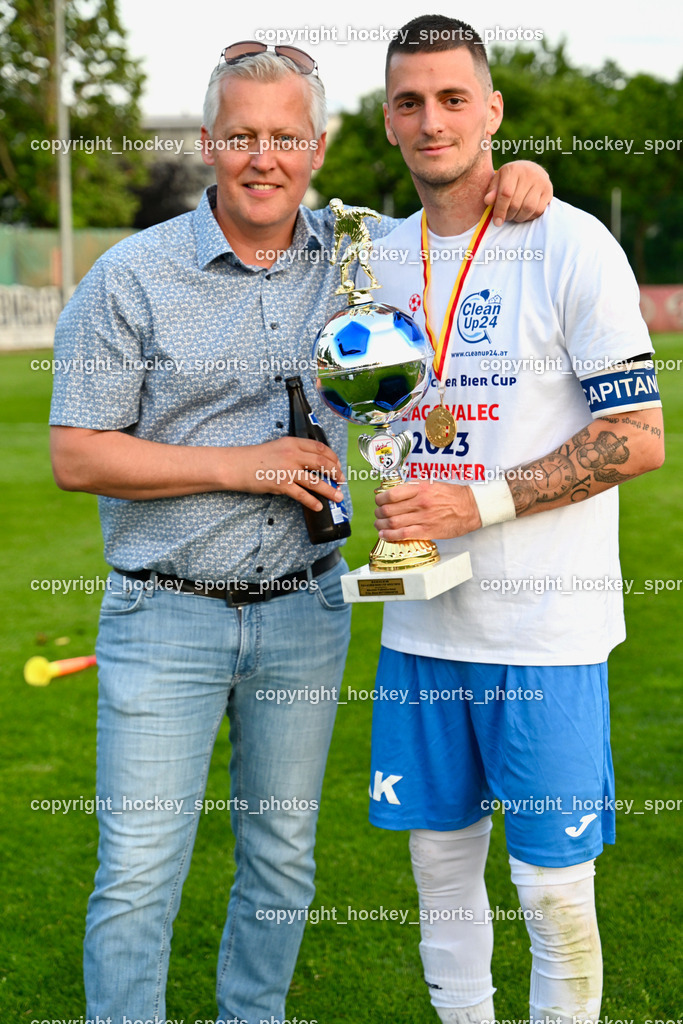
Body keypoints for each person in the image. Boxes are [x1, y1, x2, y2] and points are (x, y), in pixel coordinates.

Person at [49, 39, 553, 1024]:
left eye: (285, 135)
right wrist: (242, 467)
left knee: (279, 858)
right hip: (164, 614)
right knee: (140, 867)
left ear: (317, 147)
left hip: (303, 610)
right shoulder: (128, 276)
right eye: (241, 135)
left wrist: (520, 174)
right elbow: (77, 454)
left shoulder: (363, 252)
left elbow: (458, 206)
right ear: (208, 143)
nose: (262, 156)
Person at [367, 15, 664, 1024]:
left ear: (490, 110)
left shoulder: (568, 240)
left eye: (453, 98)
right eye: (410, 100)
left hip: (544, 630)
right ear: (388, 119)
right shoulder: (369, 256)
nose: (431, 118)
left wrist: (474, 501)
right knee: (439, 876)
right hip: (418, 624)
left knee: (550, 891)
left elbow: (635, 437)